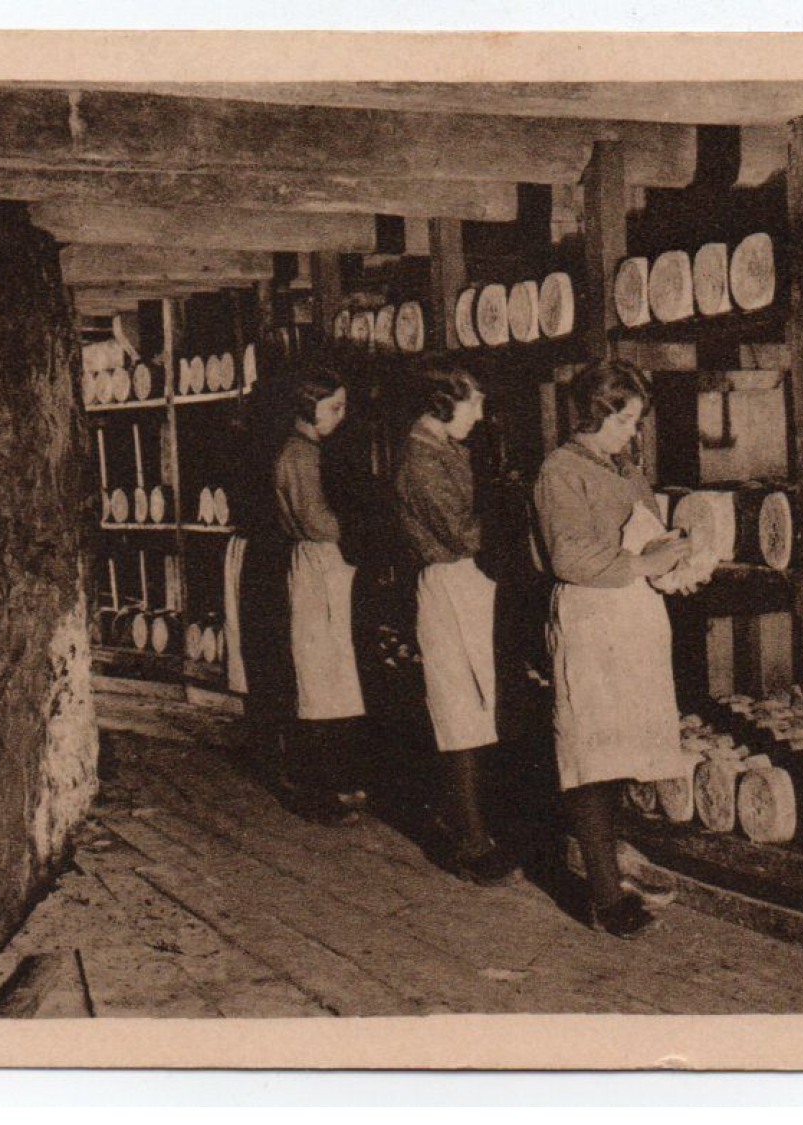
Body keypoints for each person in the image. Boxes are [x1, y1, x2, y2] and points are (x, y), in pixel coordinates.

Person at [532, 360, 693, 938]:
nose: (635, 432)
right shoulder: (559, 471)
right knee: (591, 756)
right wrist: (643, 564)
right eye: (628, 420)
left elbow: (646, 532)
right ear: (599, 414)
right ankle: (603, 897)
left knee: (622, 749)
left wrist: (676, 557)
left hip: (632, 617)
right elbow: (568, 557)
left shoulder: (622, 467)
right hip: (593, 616)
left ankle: (613, 868)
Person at [392, 362, 520, 886]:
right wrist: (511, 510)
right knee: (459, 710)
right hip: (448, 585)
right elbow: (463, 534)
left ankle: (477, 827)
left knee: (479, 707)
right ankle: (468, 839)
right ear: (443, 403)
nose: (481, 413)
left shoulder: (443, 449)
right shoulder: (421, 461)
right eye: (474, 403)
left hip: (465, 584)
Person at [274, 361, 368, 825]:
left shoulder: (304, 450)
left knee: (329, 676)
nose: (342, 415)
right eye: (336, 407)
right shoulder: (301, 455)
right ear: (311, 407)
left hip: (319, 565)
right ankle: (316, 786)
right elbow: (317, 522)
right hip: (317, 563)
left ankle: (333, 779)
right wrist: (355, 528)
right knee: (320, 680)